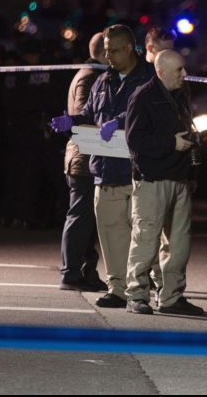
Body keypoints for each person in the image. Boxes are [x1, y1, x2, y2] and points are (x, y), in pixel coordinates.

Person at [51, 24, 158, 308]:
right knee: (111, 235)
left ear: (129, 49)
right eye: (106, 50)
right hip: (106, 170)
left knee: (142, 235)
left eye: (113, 50)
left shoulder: (149, 78)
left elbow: (154, 115)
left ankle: (142, 290)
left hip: (139, 171)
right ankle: (118, 288)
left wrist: (121, 120)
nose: (107, 56)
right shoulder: (103, 81)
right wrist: (70, 123)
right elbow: (88, 115)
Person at [123, 50, 203, 316]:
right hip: (153, 179)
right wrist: (172, 143)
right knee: (146, 239)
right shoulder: (143, 96)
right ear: (161, 71)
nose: (185, 74)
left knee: (178, 244)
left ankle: (171, 297)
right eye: (179, 70)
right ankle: (136, 295)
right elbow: (135, 141)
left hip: (178, 177)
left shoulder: (181, 94)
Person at [58, 32, 109, 292]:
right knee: (80, 217)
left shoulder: (90, 73)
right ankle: (70, 272)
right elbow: (82, 118)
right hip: (84, 157)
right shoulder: (89, 76)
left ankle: (87, 271)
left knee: (88, 220)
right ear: (105, 51)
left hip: (88, 156)